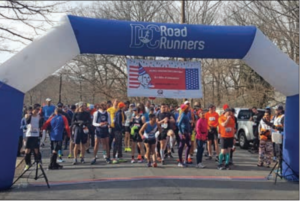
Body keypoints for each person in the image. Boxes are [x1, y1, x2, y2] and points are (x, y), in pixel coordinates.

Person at [24, 104, 43, 171]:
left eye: (39, 109)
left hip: (36, 134)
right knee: (27, 150)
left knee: (36, 150)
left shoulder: (39, 117)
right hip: (29, 134)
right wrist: (30, 115)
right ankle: (27, 164)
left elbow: (41, 124)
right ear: (33, 109)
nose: (38, 111)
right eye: (37, 109)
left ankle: (38, 161)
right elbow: (27, 121)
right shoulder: (29, 115)